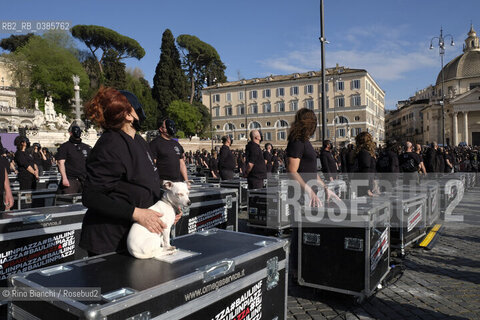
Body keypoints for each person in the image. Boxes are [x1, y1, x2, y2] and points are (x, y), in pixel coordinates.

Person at [80, 87, 181, 256]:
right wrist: (137, 213)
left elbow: (146, 184)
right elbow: (91, 196)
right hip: (111, 242)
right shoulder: (110, 145)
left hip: (138, 237)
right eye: (137, 107)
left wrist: (168, 208)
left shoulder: (139, 141)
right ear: (128, 115)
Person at [286, 108, 338, 206]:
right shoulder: (297, 141)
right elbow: (291, 170)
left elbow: (312, 171)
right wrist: (308, 190)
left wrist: (326, 188)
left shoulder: (305, 141)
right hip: (300, 195)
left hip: (310, 194)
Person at [149, 118, 188, 183]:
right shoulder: (154, 144)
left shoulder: (176, 144)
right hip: (164, 183)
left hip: (178, 182)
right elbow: (152, 165)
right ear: (161, 129)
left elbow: (182, 163)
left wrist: (186, 180)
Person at [56, 125, 91, 194]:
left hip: (84, 179)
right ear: (70, 133)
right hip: (70, 180)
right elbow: (60, 162)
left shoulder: (86, 147)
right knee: (68, 201)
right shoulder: (65, 146)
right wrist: (64, 178)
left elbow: (90, 163)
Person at [354, 132, 378, 197]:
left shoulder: (364, 152)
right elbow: (366, 170)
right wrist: (367, 189)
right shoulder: (364, 153)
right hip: (365, 185)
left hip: (367, 183)